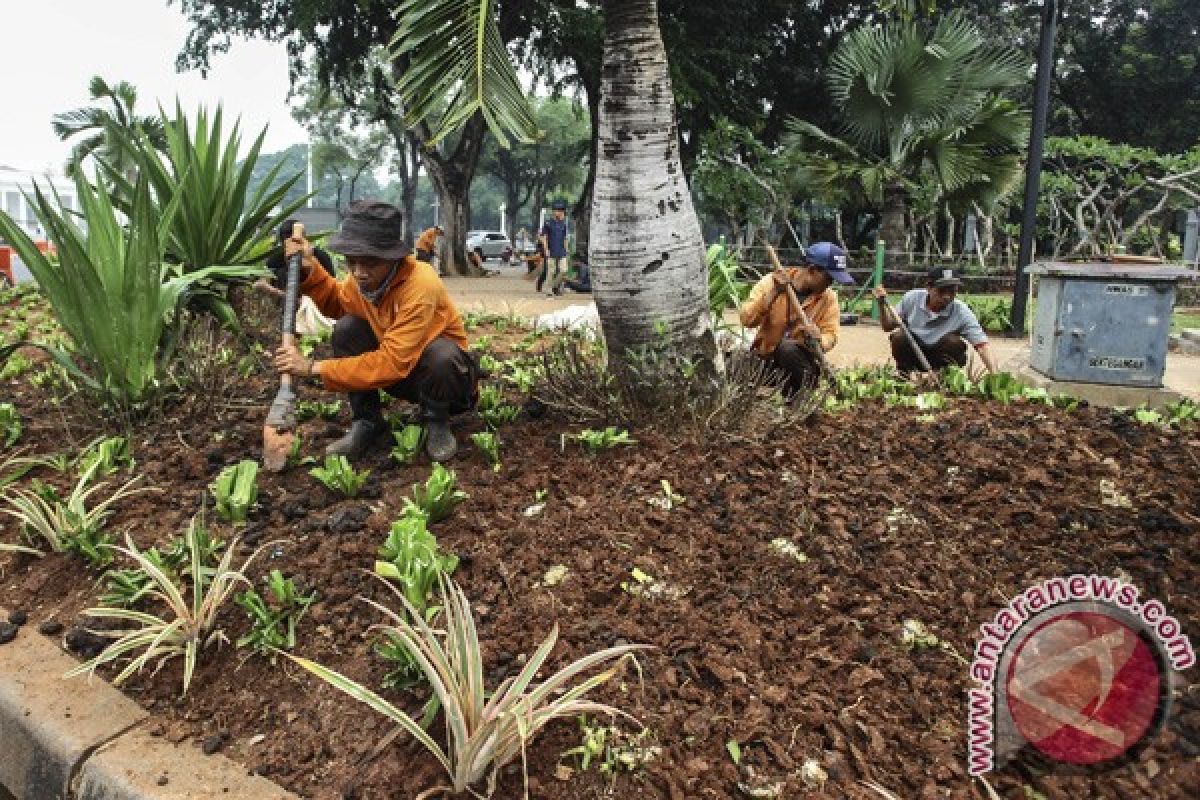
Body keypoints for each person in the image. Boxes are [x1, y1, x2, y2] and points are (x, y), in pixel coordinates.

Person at [272, 201, 478, 462]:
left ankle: (436, 420)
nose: (359, 272)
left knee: (442, 356)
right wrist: (310, 268)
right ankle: (367, 422)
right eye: (351, 262)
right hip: (401, 374)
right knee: (347, 328)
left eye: (369, 263)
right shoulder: (365, 279)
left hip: (445, 381)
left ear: (392, 258)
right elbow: (337, 302)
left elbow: (393, 362)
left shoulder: (420, 284)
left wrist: (314, 367)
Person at [739, 242, 855, 393]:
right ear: (812, 270)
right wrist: (774, 293)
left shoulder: (829, 298)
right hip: (765, 361)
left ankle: (801, 395)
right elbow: (747, 319)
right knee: (734, 361)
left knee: (788, 349)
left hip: (800, 365)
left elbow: (831, 335)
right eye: (829, 278)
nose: (831, 283)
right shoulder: (770, 283)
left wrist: (820, 339)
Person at [872, 267, 998, 374]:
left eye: (952, 291)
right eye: (942, 291)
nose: (947, 296)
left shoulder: (961, 311)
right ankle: (904, 375)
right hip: (914, 355)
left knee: (954, 343)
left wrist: (996, 376)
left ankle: (942, 377)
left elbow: (982, 346)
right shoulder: (912, 299)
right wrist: (881, 305)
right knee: (899, 338)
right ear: (929, 287)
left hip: (941, 358)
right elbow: (887, 326)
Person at [255, 219, 336, 298]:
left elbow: (331, 286)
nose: (293, 246)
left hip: (316, 302)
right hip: (285, 302)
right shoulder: (276, 259)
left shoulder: (320, 256)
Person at [538, 199, 570, 297]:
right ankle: (549, 290)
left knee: (564, 270)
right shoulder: (548, 223)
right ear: (553, 211)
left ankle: (555, 286)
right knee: (551, 271)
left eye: (561, 211)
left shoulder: (563, 224)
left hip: (561, 250)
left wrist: (567, 249)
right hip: (551, 250)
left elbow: (565, 238)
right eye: (557, 210)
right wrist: (546, 249)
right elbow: (544, 238)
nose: (559, 212)